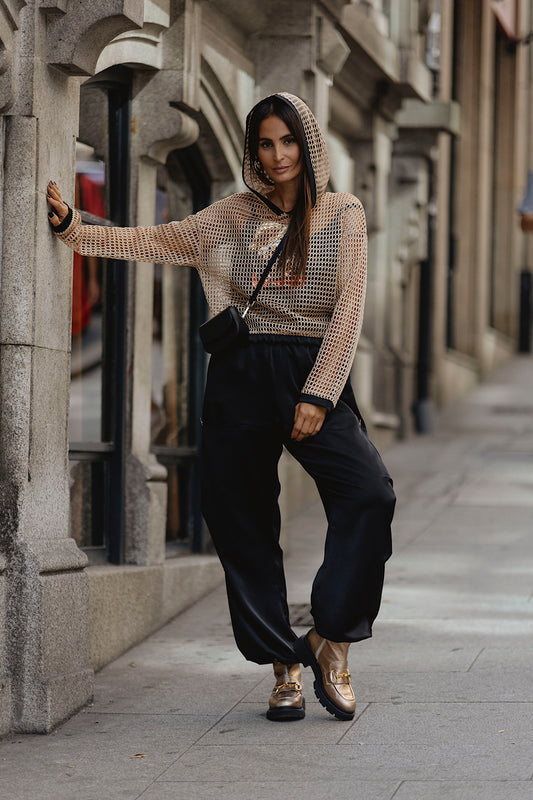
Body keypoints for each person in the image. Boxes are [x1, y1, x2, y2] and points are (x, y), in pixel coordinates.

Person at [47, 92, 395, 723]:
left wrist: (318, 392)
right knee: (242, 520)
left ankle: (332, 639)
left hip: (312, 368)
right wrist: (77, 228)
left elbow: (348, 309)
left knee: (370, 493)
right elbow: (159, 240)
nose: (278, 155)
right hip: (240, 376)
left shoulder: (343, 213)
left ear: (307, 144)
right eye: (265, 143)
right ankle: (283, 664)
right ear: (253, 150)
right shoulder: (231, 215)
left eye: (288, 141)